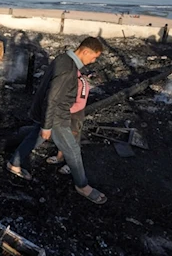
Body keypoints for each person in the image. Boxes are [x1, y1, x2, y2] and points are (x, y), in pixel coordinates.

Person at [7, 37, 107, 205]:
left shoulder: (63, 58)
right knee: (73, 150)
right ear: (85, 51)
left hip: (49, 113)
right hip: (56, 117)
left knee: (34, 137)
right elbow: (52, 98)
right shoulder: (68, 70)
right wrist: (47, 126)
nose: (94, 61)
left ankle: (14, 163)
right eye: (94, 57)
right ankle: (82, 186)